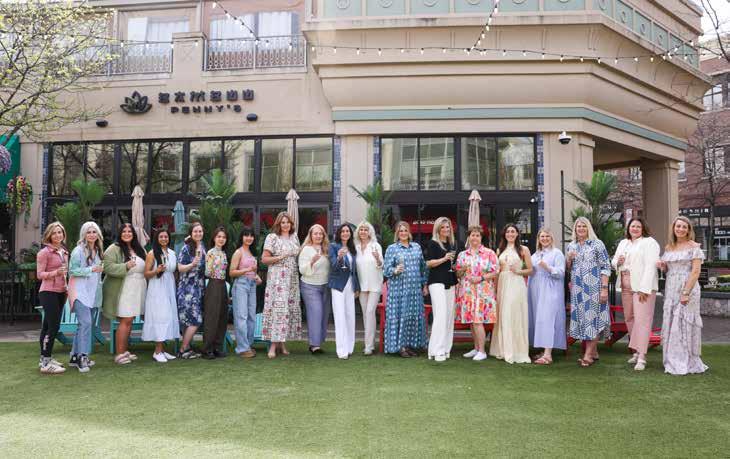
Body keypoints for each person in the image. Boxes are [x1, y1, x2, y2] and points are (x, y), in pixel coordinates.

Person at [658, 216, 709, 375]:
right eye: (678, 226)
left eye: (684, 227)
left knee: (684, 322)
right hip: (671, 288)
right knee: (672, 321)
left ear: (688, 230)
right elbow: (668, 270)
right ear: (673, 228)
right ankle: (672, 358)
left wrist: (686, 292)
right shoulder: (669, 247)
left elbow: (696, 271)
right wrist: (663, 266)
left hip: (688, 288)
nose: (680, 229)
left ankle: (686, 360)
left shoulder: (694, 247)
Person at [612, 217, 660, 371]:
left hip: (642, 287)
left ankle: (642, 357)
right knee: (629, 318)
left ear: (643, 228)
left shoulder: (649, 242)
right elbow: (614, 261)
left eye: (638, 226)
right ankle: (636, 351)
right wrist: (618, 262)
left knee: (642, 320)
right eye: (632, 226)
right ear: (628, 228)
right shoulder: (623, 243)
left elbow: (650, 267)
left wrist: (644, 289)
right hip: (625, 285)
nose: (635, 229)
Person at [566, 217, 611, 368]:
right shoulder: (572, 245)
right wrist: (569, 259)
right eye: (578, 226)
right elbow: (569, 268)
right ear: (575, 229)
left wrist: (604, 288)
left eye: (583, 226)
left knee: (592, 319)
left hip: (593, 288)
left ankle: (588, 355)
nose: (581, 229)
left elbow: (606, 266)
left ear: (588, 228)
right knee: (583, 319)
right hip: (578, 289)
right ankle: (594, 351)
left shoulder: (597, 244)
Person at [103, 223, 147, 365]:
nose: (127, 233)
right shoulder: (113, 248)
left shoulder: (139, 248)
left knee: (130, 320)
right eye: (124, 231)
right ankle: (119, 354)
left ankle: (125, 350)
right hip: (124, 288)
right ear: (120, 233)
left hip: (137, 288)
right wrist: (125, 266)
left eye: (130, 231)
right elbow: (107, 267)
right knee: (125, 320)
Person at [383, 221, 428, 358]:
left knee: (412, 317)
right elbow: (386, 270)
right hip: (398, 290)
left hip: (414, 291)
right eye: (400, 231)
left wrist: (424, 284)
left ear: (409, 232)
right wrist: (395, 270)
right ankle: (400, 347)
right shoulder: (392, 248)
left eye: (405, 230)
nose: (403, 233)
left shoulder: (416, 247)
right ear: (397, 233)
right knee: (400, 317)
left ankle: (410, 346)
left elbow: (423, 267)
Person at [489, 224, 533, 364]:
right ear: (504, 234)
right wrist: (495, 289)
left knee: (514, 314)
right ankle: (502, 348)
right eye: (508, 231)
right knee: (503, 314)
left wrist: (519, 271)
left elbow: (531, 270)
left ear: (517, 234)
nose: (510, 234)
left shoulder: (523, 249)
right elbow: (497, 272)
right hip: (503, 283)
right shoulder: (499, 250)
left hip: (516, 283)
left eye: (513, 231)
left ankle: (516, 350)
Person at [261, 212, 302, 359]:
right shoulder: (272, 237)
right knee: (278, 310)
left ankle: (282, 343)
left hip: (292, 278)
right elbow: (264, 259)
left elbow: (299, 254)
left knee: (287, 309)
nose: (285, 225)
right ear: (278, 224)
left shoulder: (294, 237)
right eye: (283, 222)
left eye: (288, 222)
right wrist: (280, 257)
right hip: (277, 278)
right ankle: (273, 345)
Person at [455, 226, 498, 362]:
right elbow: (457, 274)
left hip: (483, 292)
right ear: (469, 237)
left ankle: (482, 351)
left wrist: (481, 278)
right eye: (472, 235)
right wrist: (461, 270)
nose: (475, 238)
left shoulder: (489, 253)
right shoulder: (462, 255)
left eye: (477, 235)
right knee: (472, 321)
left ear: (481, 238)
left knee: (478, 320)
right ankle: (476, 348)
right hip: (467, 292)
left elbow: (496, 271)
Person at [67, 222, 104, 373]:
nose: (92, 235)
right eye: (89, 232)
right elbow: (72, 271)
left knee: (83, 325)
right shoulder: (78, 251)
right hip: (78, 291)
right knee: (86, 323)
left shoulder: (98, 250)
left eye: (94, 232)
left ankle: (74, 356)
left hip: (91, 292)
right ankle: (82, 356)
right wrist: (91, 269)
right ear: (84, 234)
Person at [527, 228, 566, 365]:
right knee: (540, 319)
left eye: (547, 236)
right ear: (538, 239)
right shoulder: (535, 254)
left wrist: (547, 267)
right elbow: (531, 271)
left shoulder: (557, 253)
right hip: (536, 289)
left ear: (551, 238)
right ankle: (544, 350)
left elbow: (561, 273)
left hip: (550, 289)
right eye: (542, 236)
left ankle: (548, 355)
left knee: (548, 318)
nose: (544, 239)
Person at [142, 228, 180, 363]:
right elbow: (146, 274)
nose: (164, 239)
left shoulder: (172, 253)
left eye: (166, 236)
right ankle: (157, 351)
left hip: (169, 287)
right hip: (157, 288)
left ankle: (162, 350)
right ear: (157, 239)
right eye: (161, 237)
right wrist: (156, 271)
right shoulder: (152, 253)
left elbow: (175, 270)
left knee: (168, 316)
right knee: (160, 317)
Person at [37, 222, 69, 374]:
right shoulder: (44, 253)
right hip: (48, 292)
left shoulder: (64, 251)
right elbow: (40, 274)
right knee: (53, 326)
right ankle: (46, 362)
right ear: (49, 235)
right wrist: (55, 273)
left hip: (61, 292)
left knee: (47, 326)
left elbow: (66, 273)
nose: (57, 235)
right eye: (54, 233)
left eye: (60, 232)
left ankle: (45, 358)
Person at [425, 217, 458, 362]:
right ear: (438, 229)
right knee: (440, 316)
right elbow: (429, 263)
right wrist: (444, 259)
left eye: (447, 227)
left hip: (450, 281)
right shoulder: (433, 243)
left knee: (449, 317)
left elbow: (452, 265)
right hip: (437, 282)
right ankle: (435, 350)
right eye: (443, 227)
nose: (446, 229)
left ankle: (445, 348)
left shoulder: (452, 244)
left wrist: (457, 267)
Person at [329, 223, 360, 360]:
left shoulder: (353, 249)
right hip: (338, 285)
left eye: (348, 231)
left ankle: (349, 347)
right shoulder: (333, 246)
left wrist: (357, 287)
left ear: (350, 234)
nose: (345, 233)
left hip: (350, 285)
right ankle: (341, 350)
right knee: (340, 317)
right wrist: (339, 257)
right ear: (339, 233)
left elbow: (354, 271)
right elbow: (333, 266)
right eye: (343, 231)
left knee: (350, 316)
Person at [230, 227, 263, 359]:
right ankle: (242, 348)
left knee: (251, 317)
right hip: (241, 285)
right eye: (246, 235)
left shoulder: (252, 252)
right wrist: (247, 270)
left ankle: (248, 345)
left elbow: (253, 271)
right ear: (242, 237)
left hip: (252, 284)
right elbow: (232, 272)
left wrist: (256, 277)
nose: (249, 238)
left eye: (251, 236)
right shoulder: (238, 252)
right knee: (242, 317)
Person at [298, 224, 330, 354]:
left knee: (324, 314)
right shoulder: (306, 249)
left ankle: (318, 341)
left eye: (320, 233)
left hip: (325, 285)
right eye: (315, 233)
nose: (318, 236)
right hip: (309, 286)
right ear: (311, 235)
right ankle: (314, 345)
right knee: (316, 312)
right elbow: (301, 269)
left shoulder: (326, 249)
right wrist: (312, 262)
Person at [176, 222, 206, 359]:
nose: (198, 234)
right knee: (195, 320)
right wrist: (192, 264)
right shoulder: (186, 248)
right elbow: (180, 268)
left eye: (200, 231)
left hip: (198, 288)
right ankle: (183, 349)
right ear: (191, 233)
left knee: (190, 320)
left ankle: (187, 348)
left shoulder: (202, 246)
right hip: (187, 289)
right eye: (195, 231)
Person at [354, 221, 383, 355]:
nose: (363, 232)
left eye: (366, 229)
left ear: (369, 232)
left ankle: (369, 346)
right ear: (358, 232)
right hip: (362, 285)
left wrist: (377, 259)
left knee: (370, 312)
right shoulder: (356, 247)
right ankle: (369, 343)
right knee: (365, 314)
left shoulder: (375, 245)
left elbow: (381, 265)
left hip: (375, 284)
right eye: (361, 230)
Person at [202, 226, 229, 360]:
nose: (221, 239)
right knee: (212, 316)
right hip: (213, 284)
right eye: (219, 237)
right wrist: (214, 265)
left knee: (222, 317)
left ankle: (217, 348)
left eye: (223, 237)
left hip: (222, 284)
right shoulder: (211, 253)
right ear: (214, 238)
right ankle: (207, 349)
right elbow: (207, 272)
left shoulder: (224, 253)